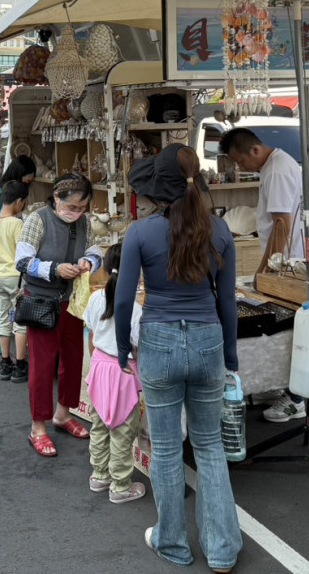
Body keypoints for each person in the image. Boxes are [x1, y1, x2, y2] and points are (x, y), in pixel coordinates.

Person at [115, 144, 242, 571]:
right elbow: (228, 303)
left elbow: (123, 301)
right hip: (208, 340)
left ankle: (171, 543)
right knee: (209, 446)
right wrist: (230, 356)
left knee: (167, 449)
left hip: (159, 340)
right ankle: (222, 550)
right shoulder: (219, 230)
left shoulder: (140, 233)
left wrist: (122, 347)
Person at [219, 127, 306, 423]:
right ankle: (280, 385)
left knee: (289, 327)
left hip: (288, 264)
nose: (241, 167)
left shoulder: (277, 170)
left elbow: (282, 224)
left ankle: (296, 398)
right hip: (285, 261)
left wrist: (265, 269)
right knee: (281, 327)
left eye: (240, 161)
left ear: (254, 150)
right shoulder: (273, 166)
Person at [15, 171, 103, 457]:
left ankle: (63, 414)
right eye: (71, 206)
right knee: (42, 366)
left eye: (82, 207)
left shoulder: (84, 222)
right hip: (42, 302)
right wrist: (55, 269)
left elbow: (95, 250)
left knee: (74, 359)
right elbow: (22, 261)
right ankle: (37, 428)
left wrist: (88, 261)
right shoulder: (37, 220)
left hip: (73, 302)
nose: (76, 212)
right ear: (56, 197)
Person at [84, 241, 146, 504]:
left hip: (99, 367)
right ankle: (120, 486)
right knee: (122, 430)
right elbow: (138, 348)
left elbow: (91, 335)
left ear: (107, 268)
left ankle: (99, 475)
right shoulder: (136, 309)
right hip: (124, 372)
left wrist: (95, 363)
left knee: (99, 425)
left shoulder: (96, 298)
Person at [0, 156, 37, 380]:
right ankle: (19, 364)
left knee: (3, 318)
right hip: (16, 277)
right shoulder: (17, 223)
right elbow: (25, 250)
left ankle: (4, 362)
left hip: (0, 276)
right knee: (19, 320)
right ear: (19, 201)